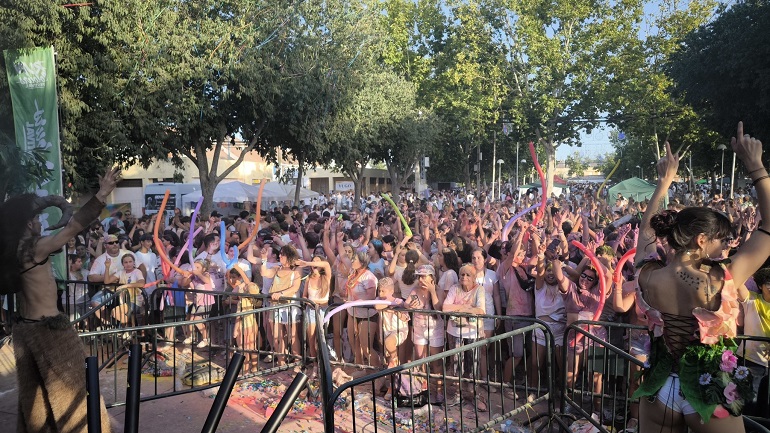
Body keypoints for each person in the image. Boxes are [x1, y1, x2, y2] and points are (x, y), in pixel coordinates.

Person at [634, 125, 770, 433]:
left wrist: (663, 182)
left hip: (658, 392)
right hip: (709, 395)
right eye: (721, 240)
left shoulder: (649, 275)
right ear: (701, 239)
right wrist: (756, 166)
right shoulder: (725, 277)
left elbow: (644, 232)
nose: (725, 246)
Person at [0, 167, 119, 432]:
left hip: (24, 331)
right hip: (51, 330)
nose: (41, 222)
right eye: (38, 218)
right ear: (28, 223)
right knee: (74, 396)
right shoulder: (35, 248)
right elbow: (74, 226)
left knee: (36, 403)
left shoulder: (11, 252)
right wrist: (101, 195)